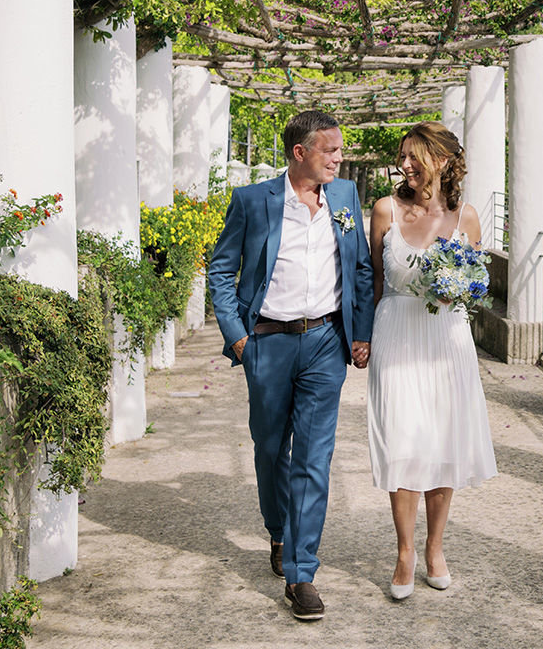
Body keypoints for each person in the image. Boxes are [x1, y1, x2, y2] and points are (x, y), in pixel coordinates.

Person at [207, 110, 374, 621]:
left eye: (339, 150)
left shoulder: (344, 197)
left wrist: (360, 332)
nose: (339, 158)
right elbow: (220, 268)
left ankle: (303, 574)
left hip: (326, 341)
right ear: (300, 153)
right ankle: (279, 533)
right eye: (331, 151)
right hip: (268, 344)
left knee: (314, 457)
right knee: (271, 447)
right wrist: (239, 340)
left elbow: (361, 268)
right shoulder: (253, 200)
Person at [366, 122, 497, 600]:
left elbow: (477, 285)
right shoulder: (385, 210)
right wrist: (362, 339)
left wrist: (459, 289)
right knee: (401, 439)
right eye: (402, 156)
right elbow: (373, 282)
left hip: (447, 340)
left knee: (443, 442)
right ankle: (404, 552)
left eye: (414, 156)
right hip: (397, 334)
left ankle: (435, 548)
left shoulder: (469, 218)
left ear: (441, 161)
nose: (404, 165)